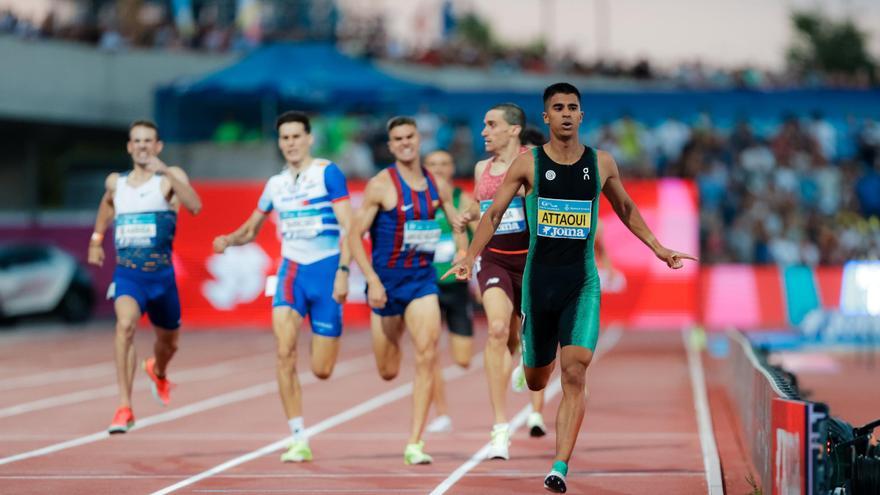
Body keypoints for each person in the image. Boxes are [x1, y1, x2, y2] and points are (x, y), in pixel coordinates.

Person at [445, 83, 697, 493]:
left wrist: (659, 248)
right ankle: (529, 349)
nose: (565, 113)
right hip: (538, 283)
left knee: (575, 371)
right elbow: (492, 215)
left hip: (581, 283)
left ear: (581, 115)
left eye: (572, 107)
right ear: (546, 117)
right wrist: (469, 256)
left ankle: (559, 466)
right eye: (557, 107)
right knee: (536, 381)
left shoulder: (601, 163)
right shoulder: (528, 165)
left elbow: (627, 210)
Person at [212, 111, 353, 463]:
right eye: (284, 138)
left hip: (326, 272)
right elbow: (251, 229)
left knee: (322, 369)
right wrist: (229, 239)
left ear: (308, 139)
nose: (290, 143)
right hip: (291, 274)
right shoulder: (275, 184)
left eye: (295, 136)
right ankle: (297, 437)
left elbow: (350, 226)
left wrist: (344, 271)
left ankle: (322, 343)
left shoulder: (327, 173)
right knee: (283, 352)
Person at [347, 117, 467, 465]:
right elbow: (354, 235)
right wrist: (371, 280)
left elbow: (458, 222)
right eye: (397, 138)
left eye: (409, 136)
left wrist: (462, 251)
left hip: (421, 282)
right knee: (388, 370)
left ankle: (415, 442)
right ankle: (393, 336)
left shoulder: (437, 184)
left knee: (428, 355)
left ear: (419, 139)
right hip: (386, 285)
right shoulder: (381, 185)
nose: (404, 143)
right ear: (390, 144)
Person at [87, 120, 202, 434]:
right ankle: (124, 407)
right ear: (129, 146)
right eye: (136, 141)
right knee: (124, 326)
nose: (142, 146)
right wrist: (97, 238)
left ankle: (158, 369)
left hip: (162, 278)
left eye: (148, 141)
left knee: (169, 344)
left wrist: (166, 172)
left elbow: (194, 206)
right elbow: (106, 205)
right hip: (129, 275)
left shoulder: (170, 178)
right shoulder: (116, 182)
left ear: (158, 146)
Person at [454, 104, 546, 458]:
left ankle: (529, 357)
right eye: (483, 124)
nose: (483, 132)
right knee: (495, 330)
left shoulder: (535, 161)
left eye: (491, 125)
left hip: (533, 263)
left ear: (513, 130)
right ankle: (500, 428)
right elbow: (487, 207)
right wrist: (470, 215)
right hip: (494, 260)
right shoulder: (482, 168)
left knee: (530, 337)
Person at [422, 150, 476, 434]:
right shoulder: (416, 200)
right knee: (428, 352)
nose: (439, 169)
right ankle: (441, 412)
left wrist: (468, 256)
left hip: (455, 285)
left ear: (453, 167)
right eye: (432, 164)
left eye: (444, 164)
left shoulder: (462, 199)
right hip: (425, 284)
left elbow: (480, 233)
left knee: (463, 359)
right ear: (425, 169)